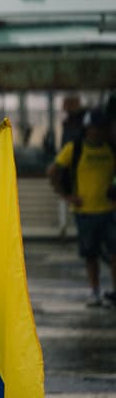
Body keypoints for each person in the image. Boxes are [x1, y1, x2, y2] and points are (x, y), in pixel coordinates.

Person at [48, 107, 116, 307]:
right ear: (88, 129)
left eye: (104, 128)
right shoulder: (75, 149)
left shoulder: (111, 149)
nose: (101, 132)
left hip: (109, 211)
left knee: (114, 253)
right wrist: (67, 196)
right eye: (97, 128)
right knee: (90, 254)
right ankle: (95, 291)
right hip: (85, 212)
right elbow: (53, 172)